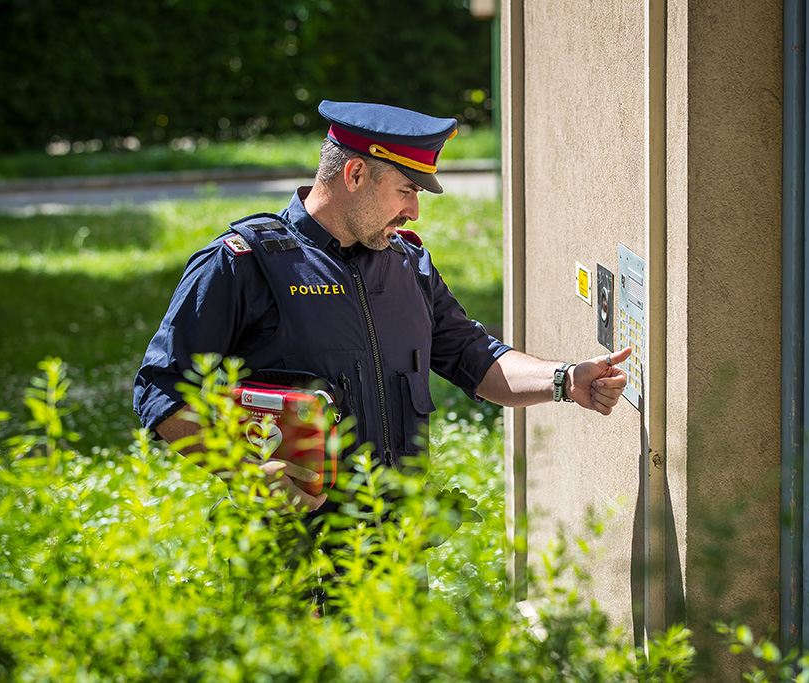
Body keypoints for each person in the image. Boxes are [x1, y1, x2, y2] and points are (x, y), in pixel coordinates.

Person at [134, 99, 632, 517]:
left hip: (394, 556)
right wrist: (246, 473)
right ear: (354, 174)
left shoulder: (407, 265)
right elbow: (160, 391)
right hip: (291, 556)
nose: (414, 210)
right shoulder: (242, 265)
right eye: (407, 190)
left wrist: (565, 380)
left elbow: (475, 358)